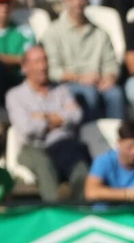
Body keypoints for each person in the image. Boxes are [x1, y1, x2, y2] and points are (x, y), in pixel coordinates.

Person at [6, 45, 92, 200]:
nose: (43, 66)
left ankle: (81, 211)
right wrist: (55, 119)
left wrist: (41, 117)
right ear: (25, 67)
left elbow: (76, 115)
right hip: (32, 147)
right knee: (45, 165)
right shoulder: (15, 95)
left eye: (45, 60)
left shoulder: (61, 90)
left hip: (62, 144)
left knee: (80, 166)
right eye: (38, 62)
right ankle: (53, 214)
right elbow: (26, 129)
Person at [41, 0, 124, 119]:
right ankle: (89, 137)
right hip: (67, 85)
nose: (78, 2)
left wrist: (110, 77)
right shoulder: (53, 32)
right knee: (88, 93)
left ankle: (120, 137)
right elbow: (52, 71)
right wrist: (79, 78)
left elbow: (111, 64)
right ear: (64, 1)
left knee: (115, 94)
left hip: (98, 83)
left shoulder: (100, 33)